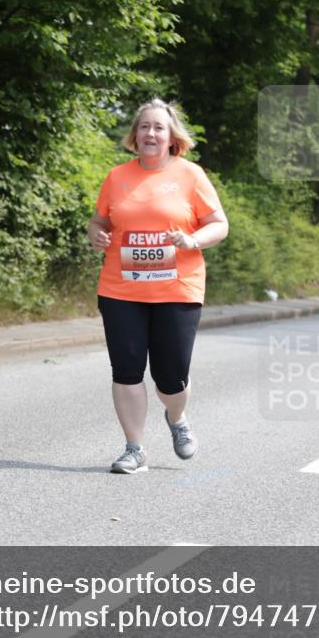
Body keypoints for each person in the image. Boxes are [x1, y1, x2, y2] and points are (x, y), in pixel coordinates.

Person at [87, 98, 229, 474]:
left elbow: (219, 224)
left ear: (171, 137)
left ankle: (176, 417)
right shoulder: (117, 177)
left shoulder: (191, 176)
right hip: (121, 288)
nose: (151, 133)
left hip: (177, 288)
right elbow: (98, 222)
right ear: (135, 134)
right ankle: (134, 449)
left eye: (158, 128)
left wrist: (192, 241)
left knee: (171, 375)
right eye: (144, 127)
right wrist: (97, 236)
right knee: (126, 369)